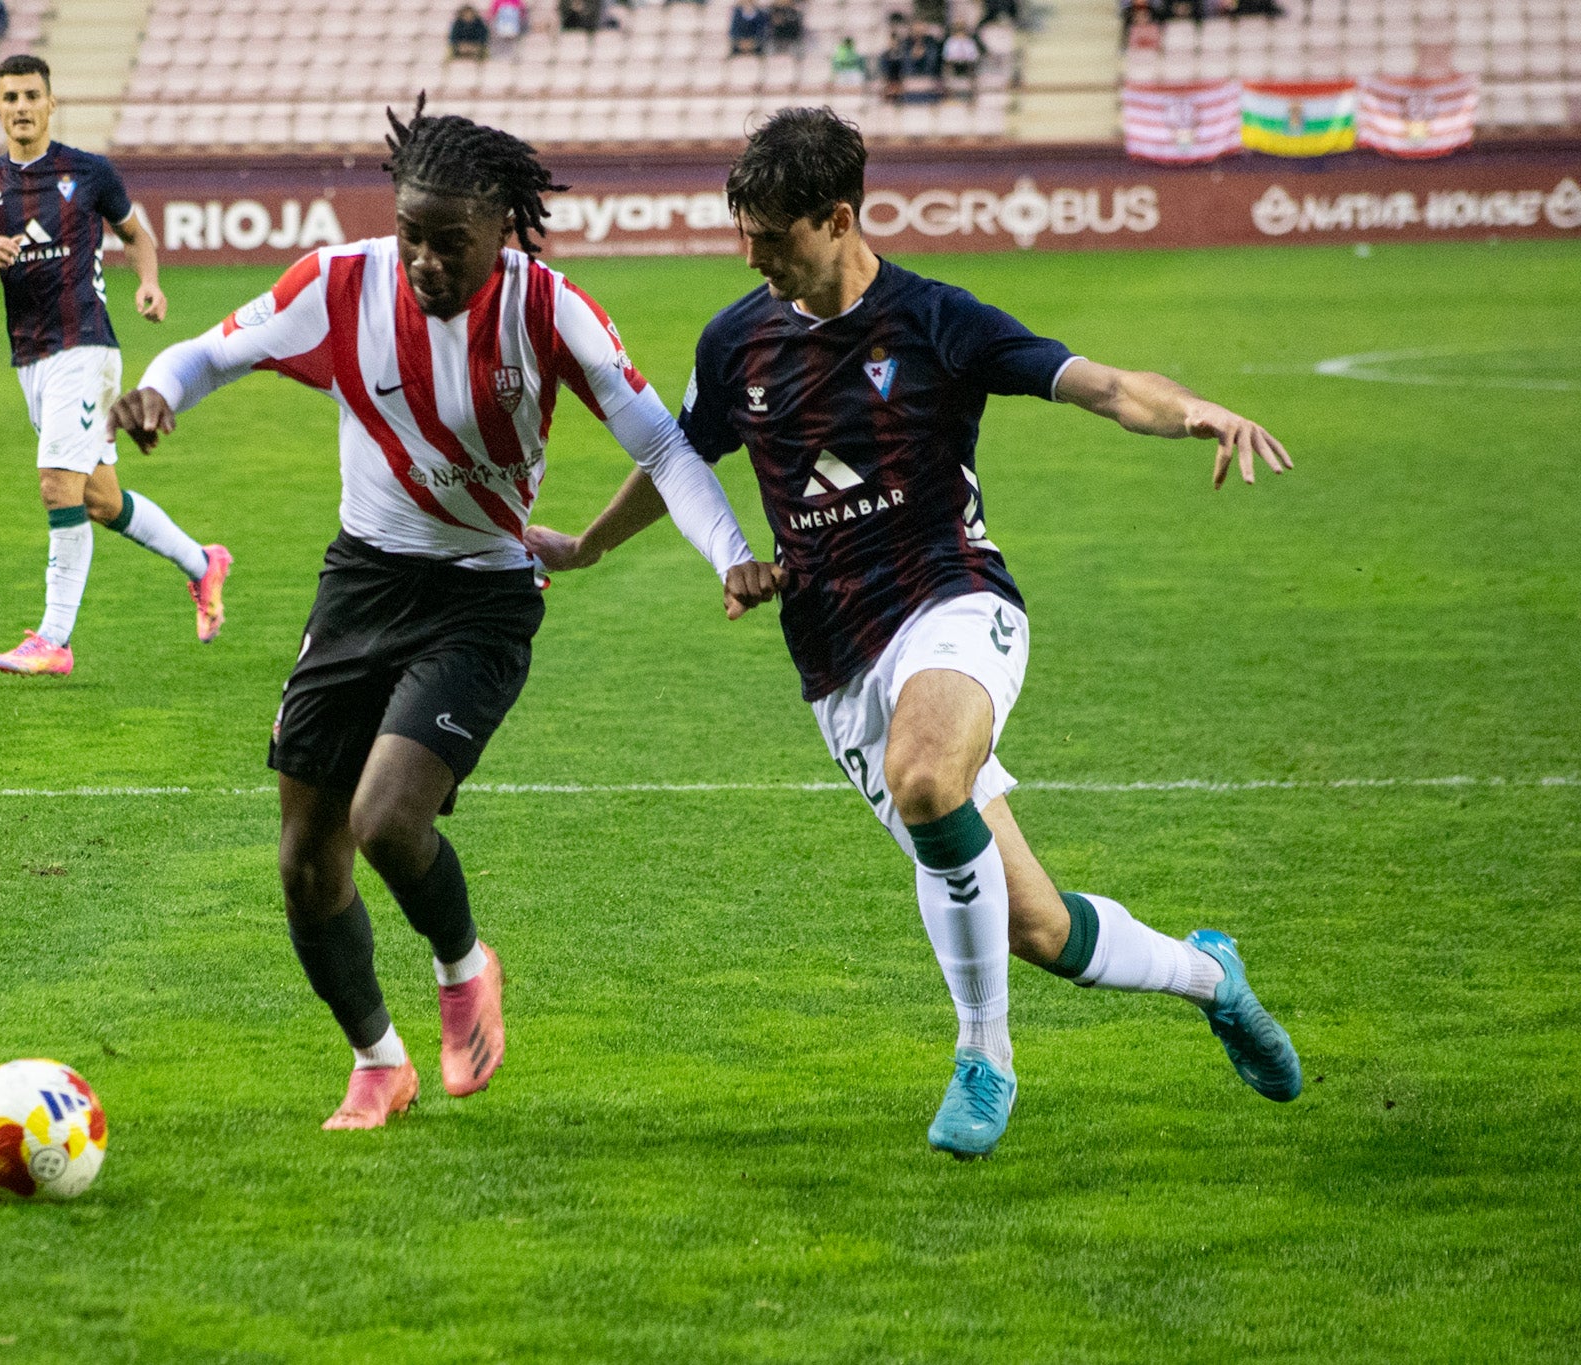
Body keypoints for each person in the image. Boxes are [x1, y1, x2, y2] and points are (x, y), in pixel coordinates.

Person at [527, 108, 1302, 1161]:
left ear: (837, 218)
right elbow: (677, 458)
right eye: (738, 230)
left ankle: (983, 1055)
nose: (746, 255)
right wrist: (586, 547)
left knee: (926, 777)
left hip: (953, 600)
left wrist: (1194, 411)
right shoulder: (734, 341)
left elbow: (1102, 385)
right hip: (835, 658)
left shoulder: (935, 320)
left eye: (768, 235)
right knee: (1035, 929)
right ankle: (1213, 977)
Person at [108, 98, 775, 1132]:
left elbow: (665, 447)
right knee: (303, 857)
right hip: (359, 585)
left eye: (447, 242)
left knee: (385, 819)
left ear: (502, 228)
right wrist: (157, 395)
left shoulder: (551, 311)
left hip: (482, 594)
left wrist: (730, 555)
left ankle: (463, 968)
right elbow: (202, 353)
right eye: (410, 231)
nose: (422, 257)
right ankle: (378, 1061)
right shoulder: (337, 283)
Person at [0, 54, 230, 677]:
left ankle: (54, 639)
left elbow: (137, 235)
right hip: (29, 357)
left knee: (57, 485)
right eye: (11, 97)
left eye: (32, 95)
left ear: (52, 104)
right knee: (100, 501)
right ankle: (203, 562)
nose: (22, 106)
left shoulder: (89, 172)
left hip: (86, 347)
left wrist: (149, 286)